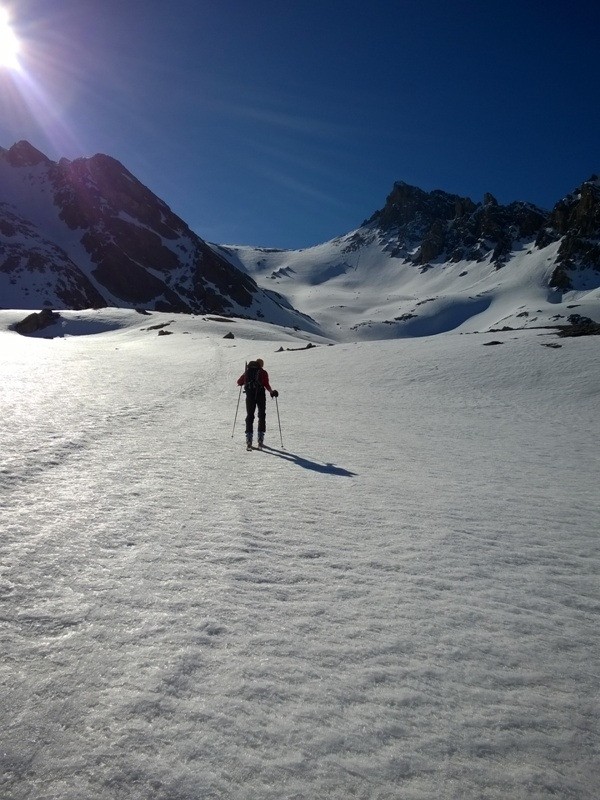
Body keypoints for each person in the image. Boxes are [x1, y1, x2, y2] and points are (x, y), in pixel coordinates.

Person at [237, 358, 278, 449]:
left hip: (250, 397)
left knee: (250, 416)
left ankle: (249, 439)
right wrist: (272, 392)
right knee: (262, 415)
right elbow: (266, 384)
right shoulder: (263, 373)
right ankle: (260, 438)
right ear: (261, 365)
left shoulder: (248, 372)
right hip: (261, 396)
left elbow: (239, 382)